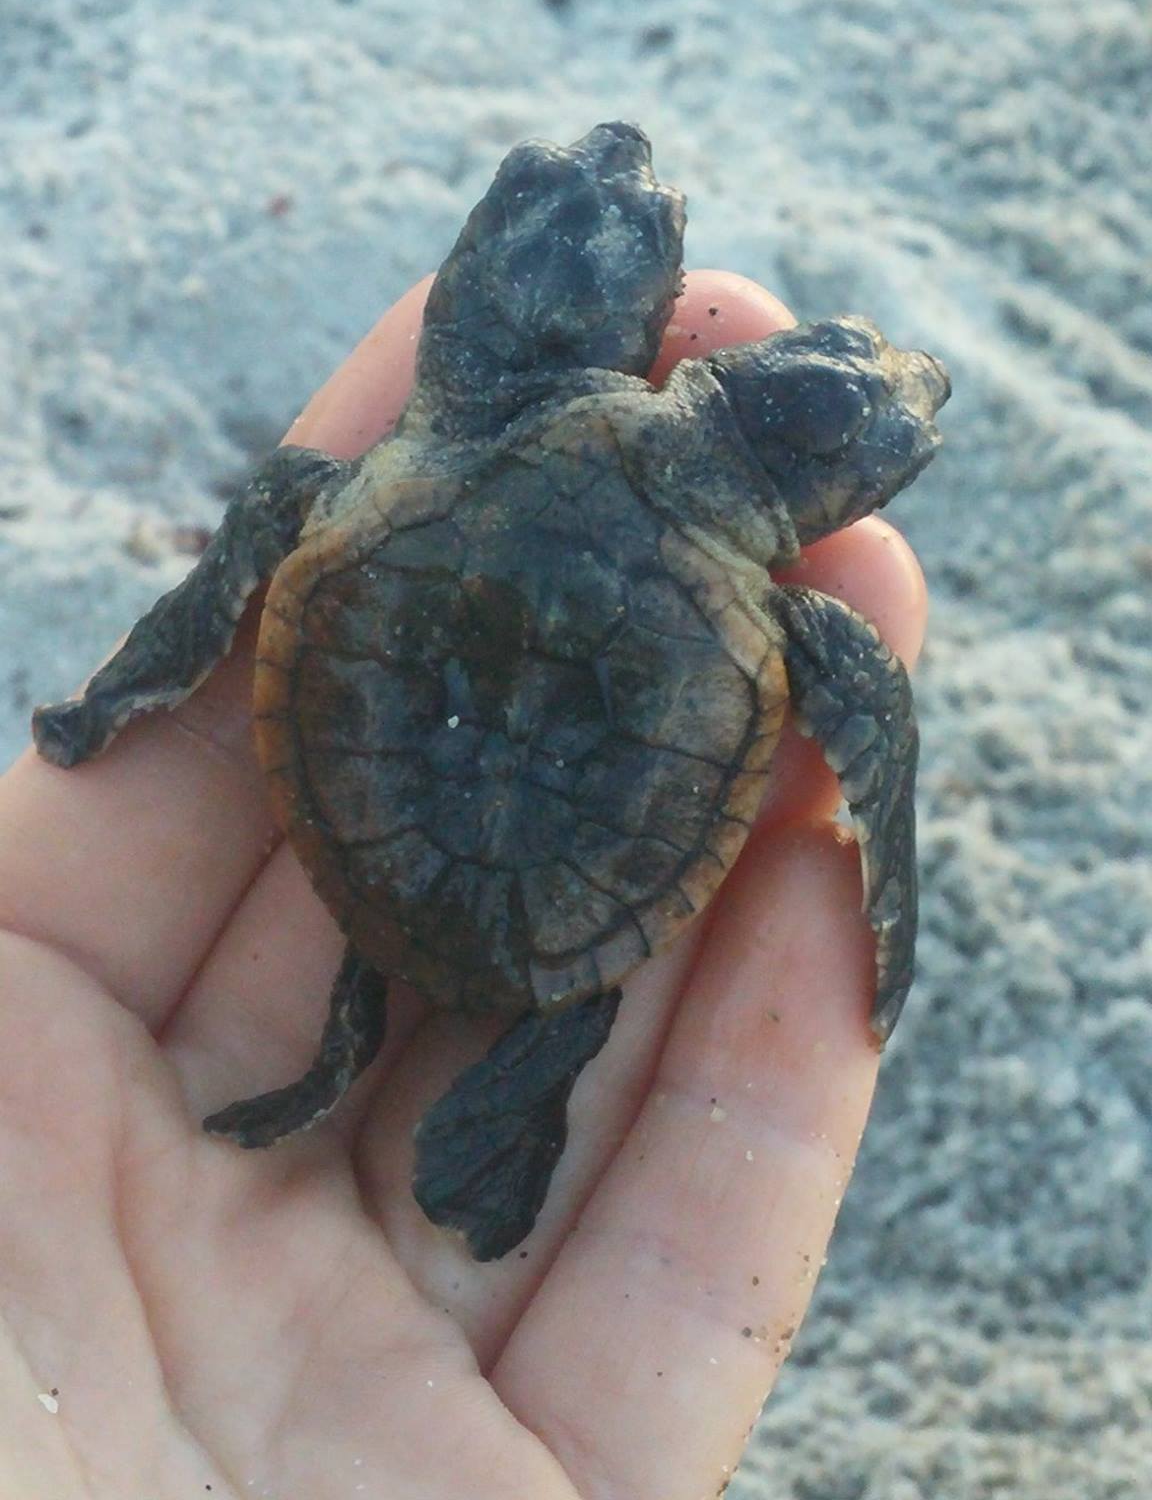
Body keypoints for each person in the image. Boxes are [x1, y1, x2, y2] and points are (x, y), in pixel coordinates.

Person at [0, 268, 928, 1500]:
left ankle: (403, 1027)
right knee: (581, 997)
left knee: (331, 499)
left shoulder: (531, 405)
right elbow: (871, 749)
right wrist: (891, 917)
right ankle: (523, 1064)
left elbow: (326, 495)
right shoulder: (816, 633)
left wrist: (118, 693)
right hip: (569, 888)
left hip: (377, 803)